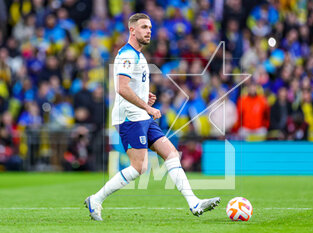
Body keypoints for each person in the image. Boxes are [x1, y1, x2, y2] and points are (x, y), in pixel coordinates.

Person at [84, 13, 220, 221]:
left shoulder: (139, 55)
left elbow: (130, 87)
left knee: (171, 153)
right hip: (130, 117)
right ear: (132, 30)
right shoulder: (128, 55)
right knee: (139, 168)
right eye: (144, 27)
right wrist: (147, 107)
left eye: (150, 27)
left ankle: (194, 202)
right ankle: (96, 199)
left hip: (141, 116)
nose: (149, 31)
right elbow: (121, 88)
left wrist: (143, 97)